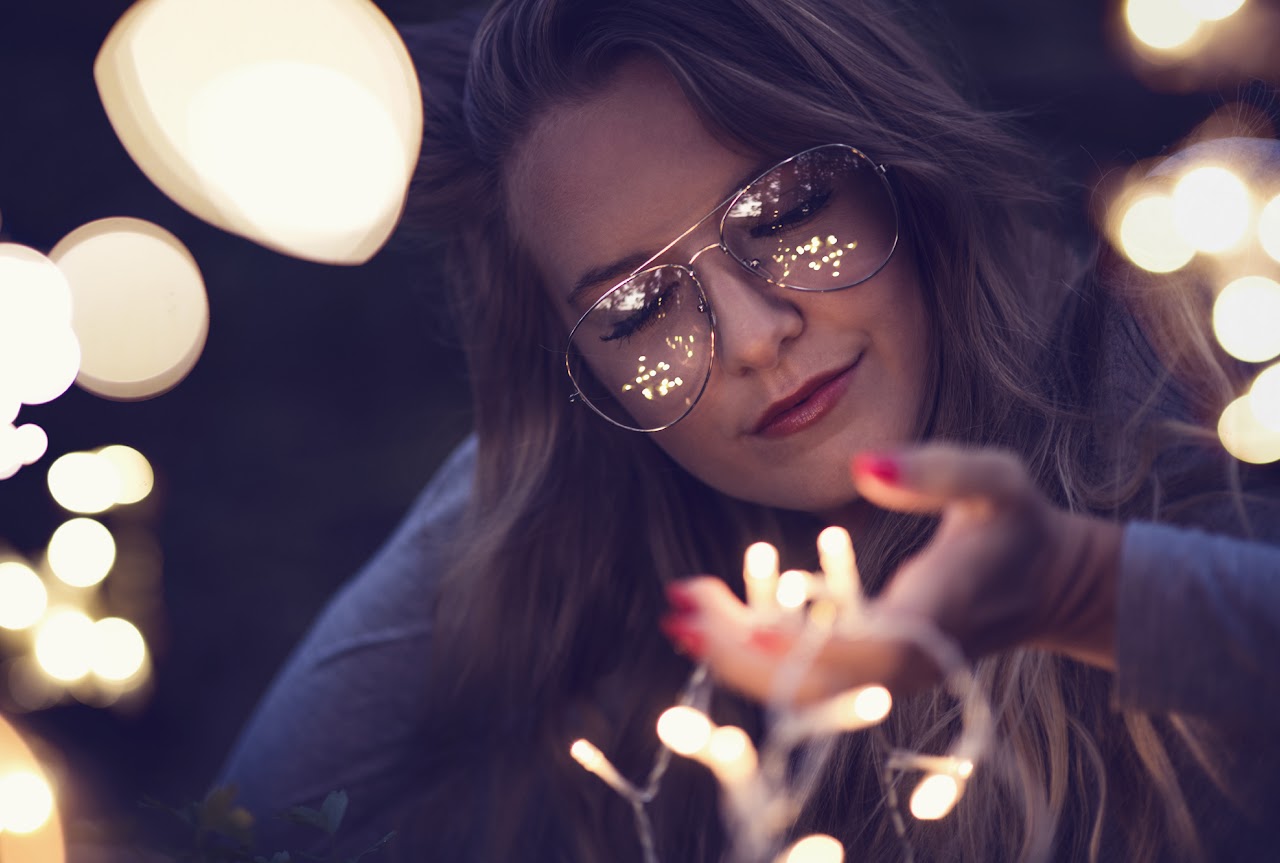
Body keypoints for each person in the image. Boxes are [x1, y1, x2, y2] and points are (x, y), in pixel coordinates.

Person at [217, 1, 1280, 860]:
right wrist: (545, 426)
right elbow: (253, 826)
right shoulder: (656, 694)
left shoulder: (1182, 355)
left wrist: (1077, 588)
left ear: (895, 168)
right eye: (634, 309)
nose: (754, 334)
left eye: (783, 212)